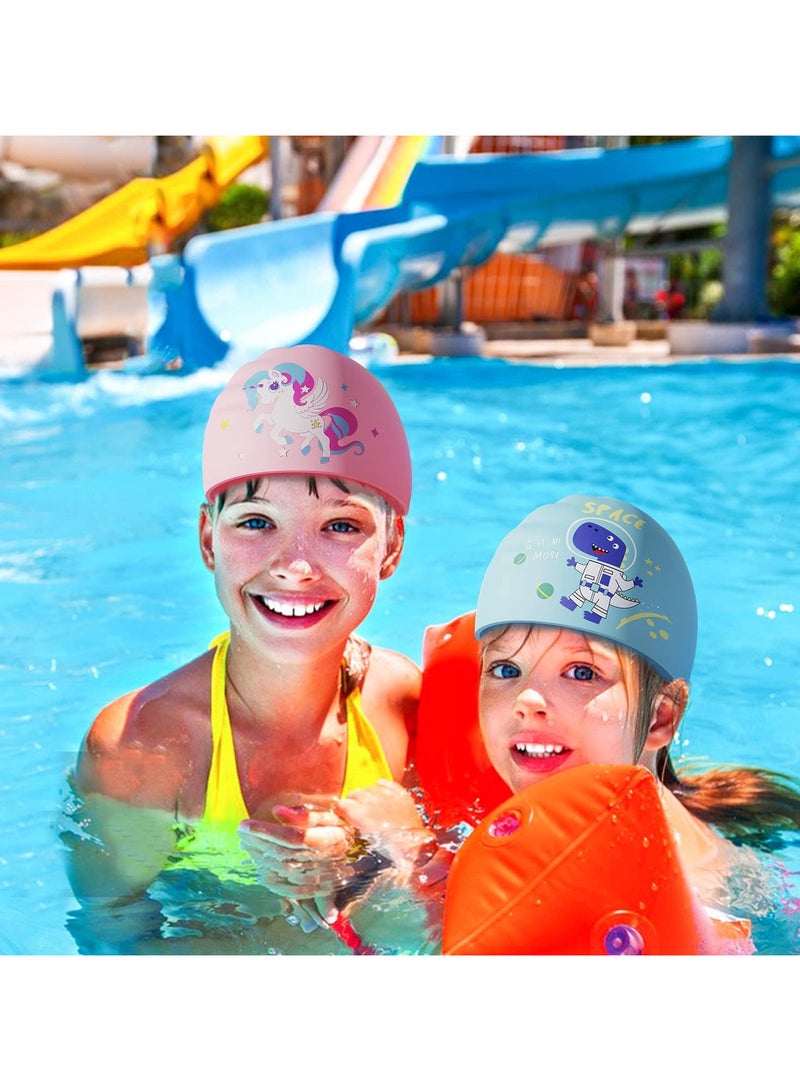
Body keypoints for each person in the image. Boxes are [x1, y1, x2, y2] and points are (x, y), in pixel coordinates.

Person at [64, 344, 431, 954]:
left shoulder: (401, 704)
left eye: (341, 525)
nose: (295, 566)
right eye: (256, 521)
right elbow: (112, 936)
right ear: (209, 539)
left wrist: (360, 863)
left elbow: (438, 912)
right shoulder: (141, 750)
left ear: (391, 548)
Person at [466, 493, 800, 917]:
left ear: (661, 717)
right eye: (506, 669)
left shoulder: (673, 886)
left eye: (582, 673)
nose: (527, 700)